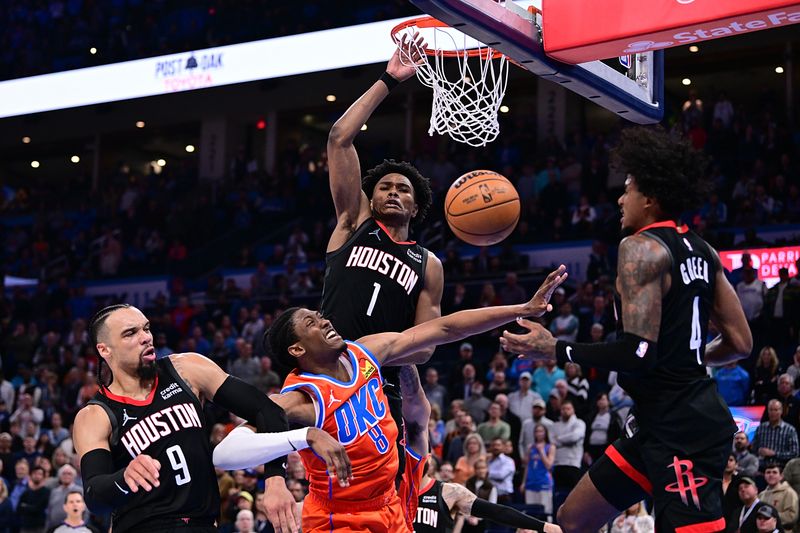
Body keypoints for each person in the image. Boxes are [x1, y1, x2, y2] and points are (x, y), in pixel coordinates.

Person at [500, 126, 753, 532]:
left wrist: (557, 349)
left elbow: (637, 353)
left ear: (650, 199)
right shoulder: (704, 250)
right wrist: (688, 355)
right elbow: (740, 342)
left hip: (683, 428)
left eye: (628, 188)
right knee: (573, 518)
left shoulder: (640, 247)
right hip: (656, 420)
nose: (620, 197)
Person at [214, 266, 567, 532]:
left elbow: (445, 328)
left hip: (391, 505)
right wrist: (303, 437)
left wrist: (522, 308)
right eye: (311, 322)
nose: (323, 321)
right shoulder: (301, 399)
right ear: (297, 348)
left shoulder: (366, 352)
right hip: (339, 518)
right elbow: (225, 452)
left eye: (321, 315)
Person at [72, 304, 348, 533]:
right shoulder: (94, 415)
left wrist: (275, 478)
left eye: (146, 328)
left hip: (204, 524)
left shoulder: (187, 369)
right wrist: (124, 477)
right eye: (130, 333)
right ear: (104, 350)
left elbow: (268, 410)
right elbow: (96, 497)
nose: (146, 337)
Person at [320, 34, 443, 490]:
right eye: (385, 187)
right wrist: (389, 80)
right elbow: (339, 138)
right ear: (371, 197)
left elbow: (426, 345)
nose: (393, 191)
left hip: (378, 385)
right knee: (329, 489)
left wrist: (374, 348)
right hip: (327, 373)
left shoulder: (428, 262)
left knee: (379, 495)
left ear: (415, 206)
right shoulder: (353, 224)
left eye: (403, 189)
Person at [520, 424, 556, 517]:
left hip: (544, 483)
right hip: (531, 483)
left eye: (541, 431)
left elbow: (549, 465)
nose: (539, 433)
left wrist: (542, 451)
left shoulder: (550, 447)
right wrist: (523, 482)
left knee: (545, 511)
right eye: (536, 431)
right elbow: (527, 465)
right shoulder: (531, 447)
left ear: (545, 433)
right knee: (531, 513)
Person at [758, 463, 798, 532]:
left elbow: (791, 517)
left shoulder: (789, 493)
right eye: (768, 472)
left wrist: (770, 517)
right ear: (764, 475)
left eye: (774, 472)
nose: (771, 475)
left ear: (781, 476)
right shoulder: (761, 494)